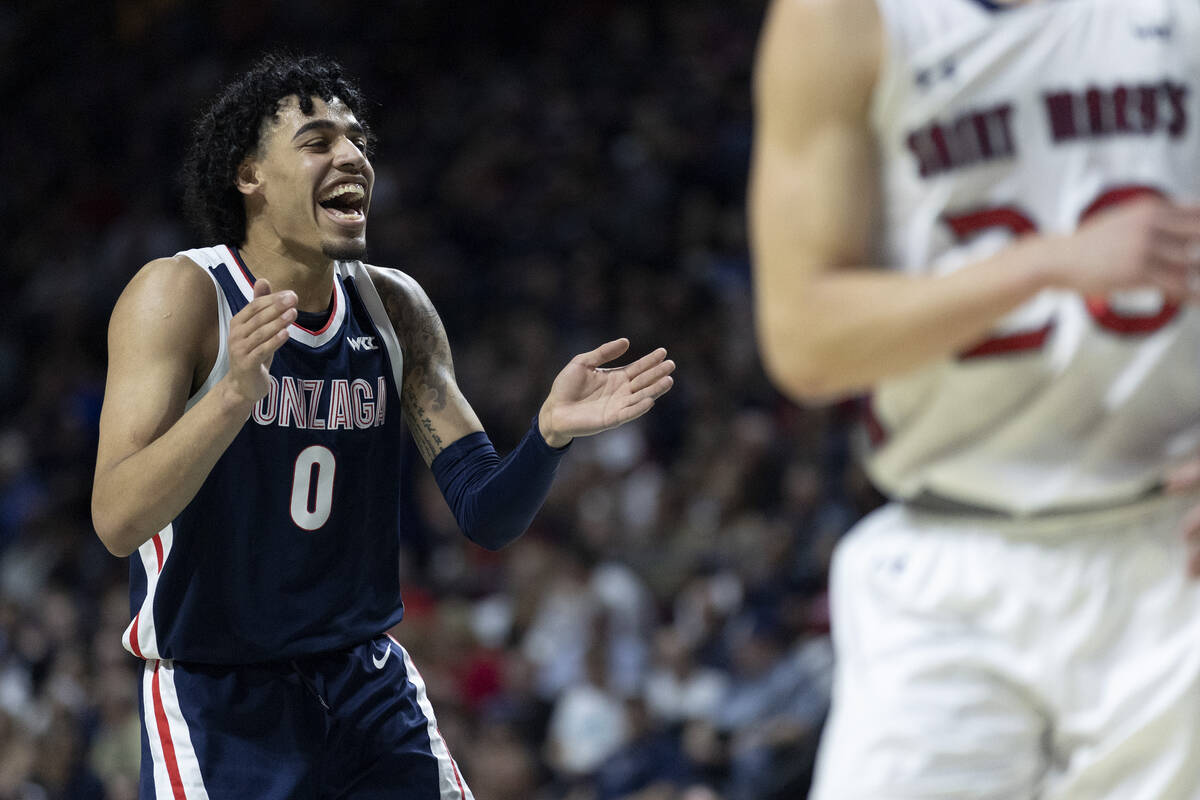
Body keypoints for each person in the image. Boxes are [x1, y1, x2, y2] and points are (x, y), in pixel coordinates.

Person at [90, 53, 675, 800]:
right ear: (250, 176)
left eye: (357, 138)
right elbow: (116, 518)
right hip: (221, 698)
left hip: (365, 681)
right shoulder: (180, 294)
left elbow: (487, 515)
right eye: (317, 141)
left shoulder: (393, 307)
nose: (352, 157)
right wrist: (230, 398)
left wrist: (548, 435)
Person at [751, 0, 1200, 798]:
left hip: (1175, 550)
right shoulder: (840, 18)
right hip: (949, 551)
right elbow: (804, 341)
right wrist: (1043, 265)